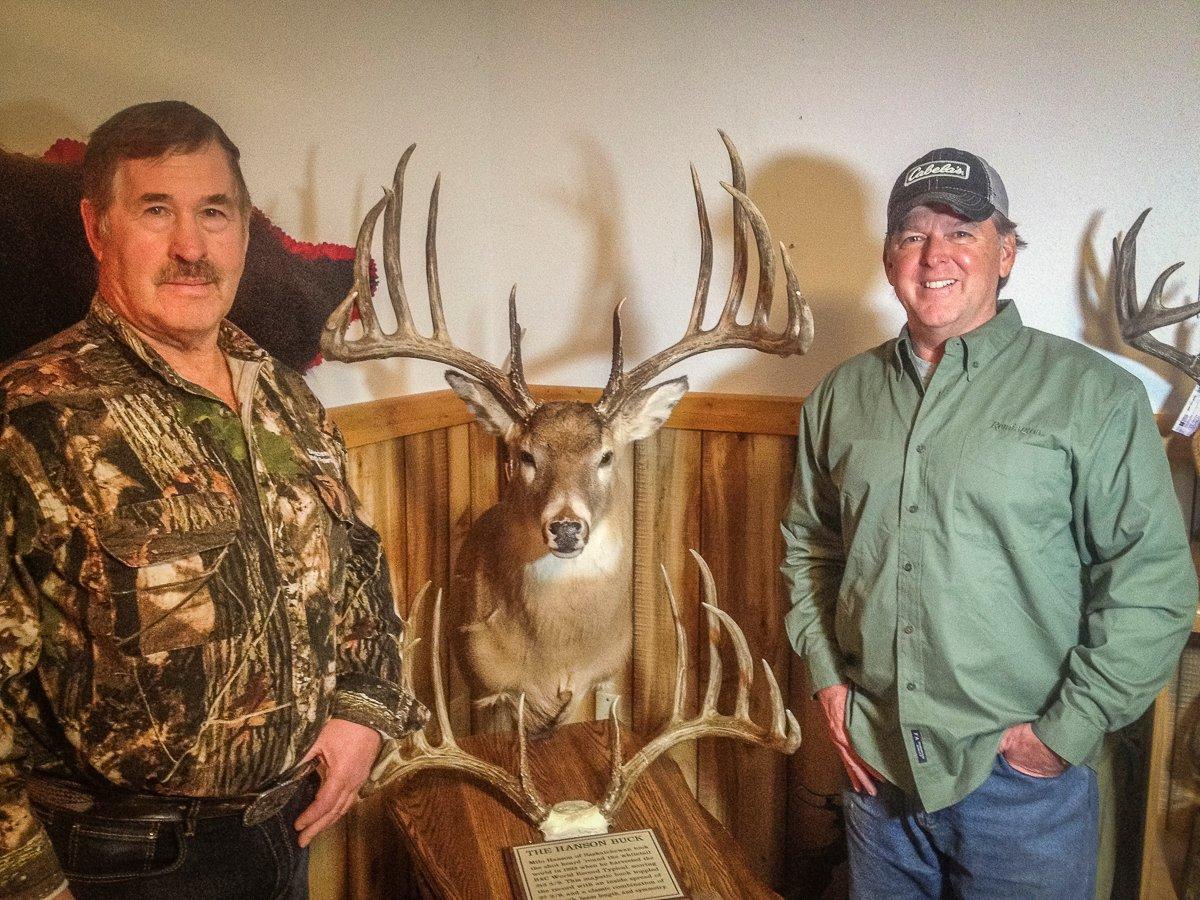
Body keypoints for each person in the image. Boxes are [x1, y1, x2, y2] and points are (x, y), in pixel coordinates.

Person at [0, 101, 428, 899]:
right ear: (98, 229)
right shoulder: (33, 418)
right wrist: (29, 888)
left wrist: (364, 709)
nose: (191, 247)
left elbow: (356, 562)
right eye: (156, 211)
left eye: (213, 213)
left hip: (282, 839)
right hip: (120, 869)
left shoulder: (282, 396)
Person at [781, 147, 1197, 897]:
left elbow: (1151, 584)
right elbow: (811, 551)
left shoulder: (1093, 396)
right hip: (878, 772)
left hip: (1023, 789)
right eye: (911, 235)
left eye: (962, 231)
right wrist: (827, 683)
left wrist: (1058, 738)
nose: (934, 254)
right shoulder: (840, 397)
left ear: (1006, 253)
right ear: (889, 257)